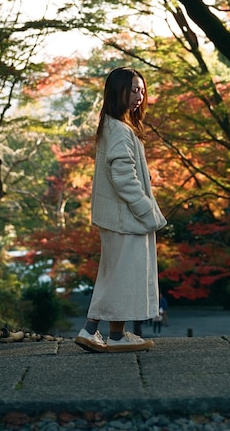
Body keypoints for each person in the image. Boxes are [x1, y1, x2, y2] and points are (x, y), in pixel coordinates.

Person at [75, 67, 167, 353]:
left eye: (141, 90)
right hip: (125, 217)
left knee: (119, 274)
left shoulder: (114, 125)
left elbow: (124, 170)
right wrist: (147, 211)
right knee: (117, 276)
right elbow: (123, 177)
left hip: (119, 217)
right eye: (133, 90)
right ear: (118, 91)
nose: (139, 96)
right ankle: (90, 330)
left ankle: (116, 335)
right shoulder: (119, 128)